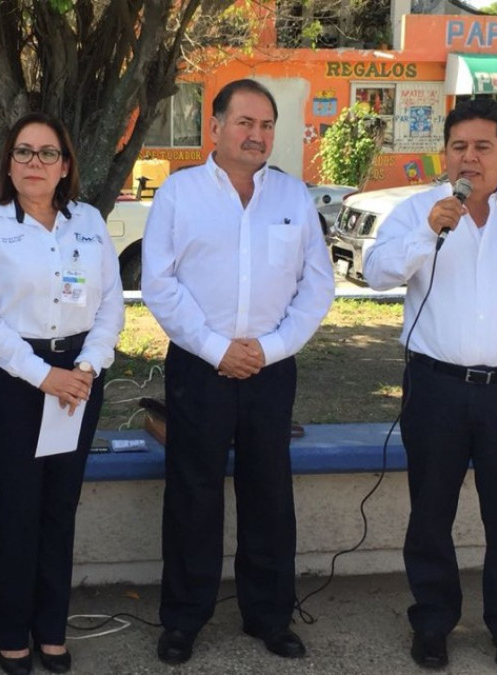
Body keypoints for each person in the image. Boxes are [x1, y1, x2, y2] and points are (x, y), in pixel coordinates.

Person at [362, 98, 497, 673]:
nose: (470, 157)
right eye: (459, 146)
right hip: (434, 388)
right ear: (445, 154)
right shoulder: (419, 210)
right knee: (430, 513)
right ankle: (433, 623)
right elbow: (377, 273)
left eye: (483, 146)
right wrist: (428, 232)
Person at [141, 78, 334, 665]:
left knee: (269, 496)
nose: (257, 135)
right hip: (200, 368)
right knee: (193, 495)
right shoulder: (180, 194)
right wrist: (214, 347)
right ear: (216, 127)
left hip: (271, 371)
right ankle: (183, 619)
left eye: (267, 125)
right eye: (245, 123)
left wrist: (270, 348)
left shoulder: (293, 198)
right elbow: (159, 282)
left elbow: (318, 285)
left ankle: (269, 616)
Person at [0, 112, 124, 675]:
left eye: (47, 153)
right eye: (24, 152)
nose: (34, 162)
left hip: (78, 380)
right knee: (20, 507)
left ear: (66, 165)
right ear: (8, 163)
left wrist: (88, 367)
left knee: (60, 506)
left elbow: (110, 306)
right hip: (12, 384)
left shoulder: (90, 223)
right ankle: (11, 631)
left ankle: (51, 627)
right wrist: (41, 375)